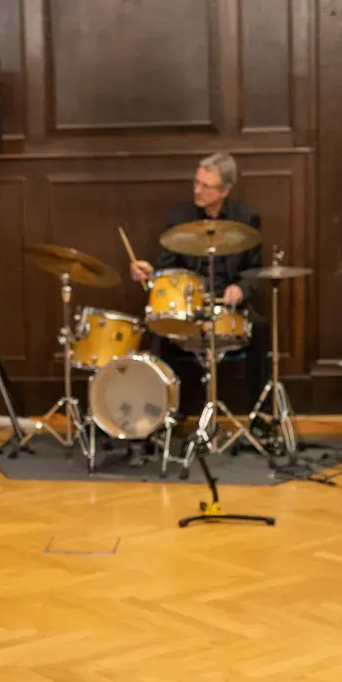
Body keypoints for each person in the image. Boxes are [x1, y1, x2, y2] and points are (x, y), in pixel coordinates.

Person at [127, 152, 272, 465]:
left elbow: (254, 270)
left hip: (229, 305)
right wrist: (152, 275)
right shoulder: (180, 217)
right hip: (191, 303)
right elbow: (169, 269)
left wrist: (241, 289)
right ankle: (156, 422)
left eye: (206, 186)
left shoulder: (246, 217)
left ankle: (260, 418)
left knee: (261, 330)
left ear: (224, 191)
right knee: (157, 337)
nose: (197, 191)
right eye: (196, 182)